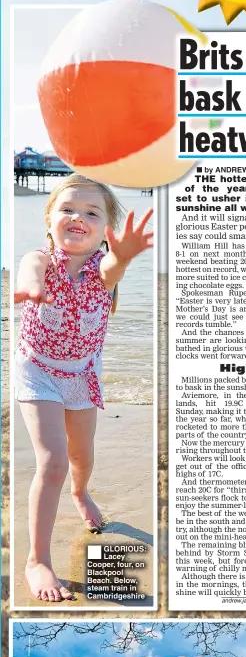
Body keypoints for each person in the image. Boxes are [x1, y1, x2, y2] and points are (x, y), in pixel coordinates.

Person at [14, 173, 153, 603]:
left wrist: (124, 256)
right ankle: (37, 559)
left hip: (81, 373)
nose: (78, 217)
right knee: (53, 461)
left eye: (92, 212)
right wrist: (32, 288)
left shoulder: (102, 272)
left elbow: (112, 268)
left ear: (106, 231)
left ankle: (80, 490)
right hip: (36, 369)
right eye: (68, 209)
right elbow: (29, 269)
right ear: (49, 218)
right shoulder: (39, 258)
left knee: (81, 456)